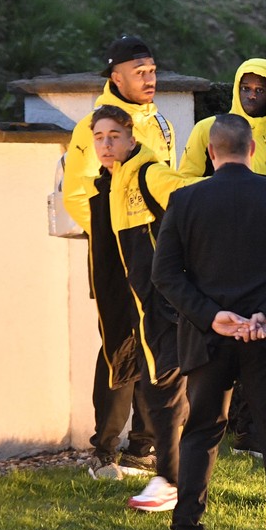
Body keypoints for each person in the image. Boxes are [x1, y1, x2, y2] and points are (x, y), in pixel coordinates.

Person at [152, 114, 266, 530]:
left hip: (208, 340)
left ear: (211, 153)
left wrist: (213, 317)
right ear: (251, 151)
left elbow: (165, 273)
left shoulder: (185, 200)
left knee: (201, 433)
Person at [63, 34, 177, 479]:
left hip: (155, 254)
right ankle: (104, 448)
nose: (150, 78)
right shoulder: (94, 125)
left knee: (155, 342)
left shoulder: (160, 123)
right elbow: (77, 194)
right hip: (115, 254)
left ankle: (143, 447)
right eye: (139, 72)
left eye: (152, 70)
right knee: (118, 345)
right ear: (116, 76)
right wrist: (116, 235)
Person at [179, 58, 266, 457]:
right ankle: (210, 431)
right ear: (236, 88)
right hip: (216, 250)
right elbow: (184, 182)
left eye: (260, 89)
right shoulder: (207, 130)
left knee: (263, 340)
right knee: (217, 346)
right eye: (246, 88)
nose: (252, 95)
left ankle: (251, 435)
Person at [86, 105, 197, 512]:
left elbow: (191, 199)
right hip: (133, 304)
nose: (106, 144)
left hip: (160, 304)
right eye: (99, 137)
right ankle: (153, 470)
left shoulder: (148, 172)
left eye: (114, 135)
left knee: (163, 388)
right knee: (138, 378)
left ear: (132, 139)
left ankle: (167, 477)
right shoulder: (107, 184)